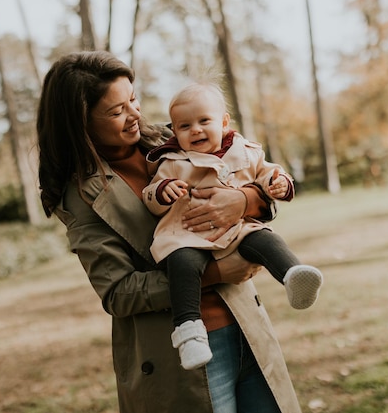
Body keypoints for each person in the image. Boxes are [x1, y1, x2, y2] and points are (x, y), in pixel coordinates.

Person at [37, 50, 303, 413]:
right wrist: (216, 273)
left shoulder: (175, 137)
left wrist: (244, 200)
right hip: (177, 353)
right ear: (80, 122)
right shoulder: (82, 195)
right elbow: (118, 293)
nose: (134, 114)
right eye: (116, 111)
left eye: (132, 99)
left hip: (246, 324)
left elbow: (255, 178)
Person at [142, 82, 323, 371]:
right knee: (182, 264)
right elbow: (150, 195)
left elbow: (270, 173)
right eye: (185, 126)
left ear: (224, 122)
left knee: (265, 239)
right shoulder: (173, 161)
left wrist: (279, 183)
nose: (196, 130)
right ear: (174, 131)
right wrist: (164, 190)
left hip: (237, 230)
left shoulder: (246, 151)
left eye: (204, 121)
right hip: (188, 234)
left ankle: (292, 275)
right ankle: (189, 332)